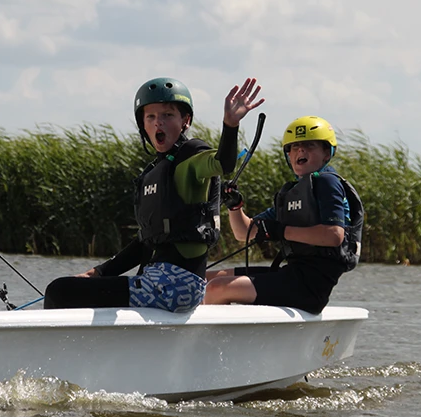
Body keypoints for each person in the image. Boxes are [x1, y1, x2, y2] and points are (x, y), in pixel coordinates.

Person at [43, 77, 265, 312]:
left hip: (178, 287)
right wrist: (98, 272)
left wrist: (230, 125)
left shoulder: (191, 156)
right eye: (151, 117)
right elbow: (145, 242)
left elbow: (223, 163)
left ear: (185, 121)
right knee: (76, 287)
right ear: (144, 125)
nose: (158, 122)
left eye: (168, 115)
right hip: (153, 282)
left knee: (60, 292)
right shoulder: (154, 173)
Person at [204, 116, 363, 314]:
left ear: (326, 153)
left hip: (311, 286)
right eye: (294, 147)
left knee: (217, 288)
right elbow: (244, 232)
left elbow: (334, 235)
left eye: (309, 145)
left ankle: (213, 344)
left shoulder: (327, 182)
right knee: (203, 279)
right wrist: (235, 206)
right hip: (291, 274)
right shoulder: (292, 194)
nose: (300, 151)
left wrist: (281, 231)